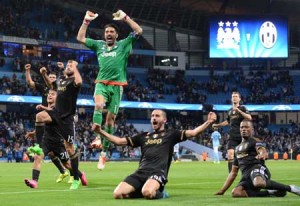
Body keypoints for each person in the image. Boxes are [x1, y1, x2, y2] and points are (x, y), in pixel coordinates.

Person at [95, 109, 217, 199]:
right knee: (117, 194)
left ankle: (161, 193)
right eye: (152, 116)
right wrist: (100, 131)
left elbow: (194, 132)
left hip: (158, 173)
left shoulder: (171, 134)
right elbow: (119, 141)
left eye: (157, 116)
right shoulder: (143, 136)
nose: (154, 118)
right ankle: (143, 189)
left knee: (147, 193)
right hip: (140, 172)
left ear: (164, 120)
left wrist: (209, 122)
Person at [77, 10, 143, 170]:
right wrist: (86, 21)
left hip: (117, 86)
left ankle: (104, 154)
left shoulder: (124, 44)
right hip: (101, 83)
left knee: (110, 120)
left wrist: (126, 18)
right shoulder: (99, 45)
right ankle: (97, 138)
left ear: (116, 35)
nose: (108, 33)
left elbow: (139, 31)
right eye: (106, 31)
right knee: (98, 106)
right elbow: (80, 38)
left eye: (111, 31)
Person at [215, 119, 300, 197]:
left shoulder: (254, 141)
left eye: (246, 127)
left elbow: (261, 149)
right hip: (246, 177)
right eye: (242, 127)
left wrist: (262, 154)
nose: (244, 129)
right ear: (239, 130)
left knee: (258, 182)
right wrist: (222, 191)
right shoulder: (237, 149)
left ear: (252, 129)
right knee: (236, 193)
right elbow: (233, 173)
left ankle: (290, 188)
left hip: (257, 170)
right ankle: (271, 192)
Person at [35, 60, 85, 190]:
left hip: (67, 119)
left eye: (70, 66)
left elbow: (79, 82)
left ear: (74, 69)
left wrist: (74, 67)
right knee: (39, 116)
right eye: (67, 65)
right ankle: (39, 146)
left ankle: (76, 178)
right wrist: (44, 74)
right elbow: (50, 85)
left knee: (69, 149)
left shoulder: (74, 81)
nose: (68, 67)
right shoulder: (61, 79)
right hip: (55, 113)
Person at [24, 89, 87, 189]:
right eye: (49, 94)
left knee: (67, 164)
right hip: (46, 141)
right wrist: (34, 132)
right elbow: (46, 124)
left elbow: (48, 118)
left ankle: (80, 174)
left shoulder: (58, 111)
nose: (50, 95)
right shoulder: (48, 112)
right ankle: (34, 181)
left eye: (53, 94)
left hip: (58, 143)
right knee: (37, 157)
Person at [25, 63, 68, 182]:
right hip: (47, 118)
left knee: (60, 150)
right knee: (48, 152)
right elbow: (30, 83)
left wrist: (63, 69)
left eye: (54, 78)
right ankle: (64, 171)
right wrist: (28, 71)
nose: (52, 80)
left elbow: (67, 79)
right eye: (51, 77)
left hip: (57, 118)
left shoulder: (59, 91)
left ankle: (73, 172)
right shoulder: (45, 89)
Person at [212, 91, 252, 172]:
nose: (234, 98)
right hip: (232, 135)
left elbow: (249, 117)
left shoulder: (243, 108)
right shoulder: (229, 111)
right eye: (233, 96)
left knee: (244, 155)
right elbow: (227, 121)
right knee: (230, 154)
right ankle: (231, 174)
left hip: (242, 135)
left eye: (236, 96)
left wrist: (239, 112)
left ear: (239, 99)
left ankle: (247, 171)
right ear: (231, 99)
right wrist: (217, 125)